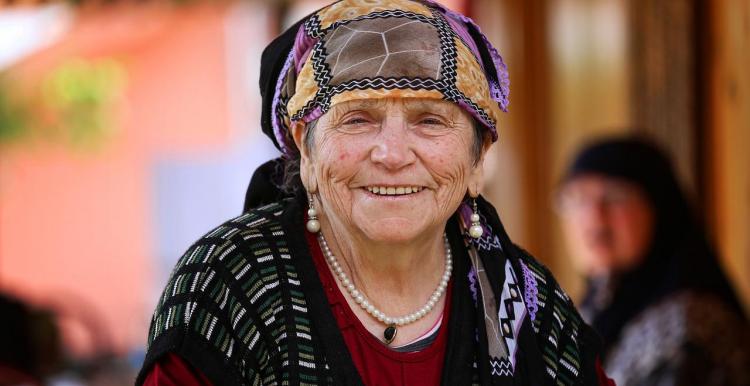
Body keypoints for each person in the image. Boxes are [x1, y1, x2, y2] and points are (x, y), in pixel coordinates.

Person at [136, 1, 615, 385]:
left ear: (476, 161)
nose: (391, 153)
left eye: (429, 121)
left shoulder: (525, 303)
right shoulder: (230, 285)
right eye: (358, 119)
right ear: (305, 148)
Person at [557, 136, 750, 386]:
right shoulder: (596, 309)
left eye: (615, 196)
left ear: (659, 209)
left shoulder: (689, 327)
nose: (594, 217)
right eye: (578, 199)